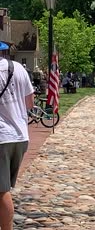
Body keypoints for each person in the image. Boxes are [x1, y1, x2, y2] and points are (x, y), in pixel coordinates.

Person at [0, 56, 34, 230]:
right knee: (4, 188)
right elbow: (30, 103)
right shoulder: (19, 68)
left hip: (2, 138)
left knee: (1, 191)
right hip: (20, 136)